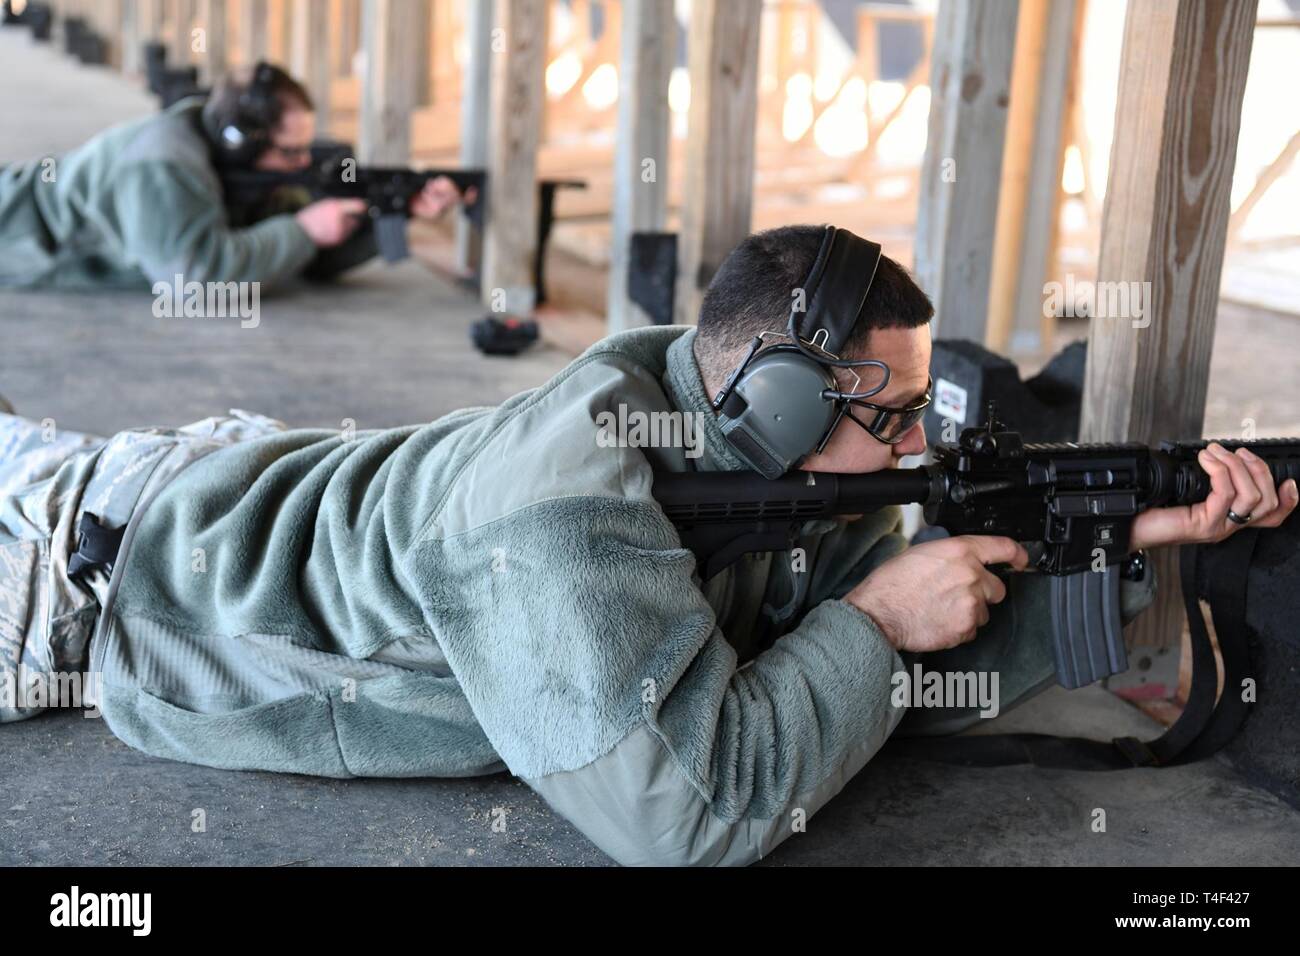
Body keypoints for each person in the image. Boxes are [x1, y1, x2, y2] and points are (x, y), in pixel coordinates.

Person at [1, 225, 1294, 866]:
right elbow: (689, 809)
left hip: (219, 464)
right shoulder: (567, 511)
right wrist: (882, 620)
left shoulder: (734, 437)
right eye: (893, 417)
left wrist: (1125, 532)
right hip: (86, 565)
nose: (916, 447)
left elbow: (890, 674)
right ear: (782, 407)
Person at [0, 63, 465, 290]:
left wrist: (395, 210)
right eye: (290, 151)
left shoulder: (230, 159)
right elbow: (194, 279)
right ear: (244, 141)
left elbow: (307, 260)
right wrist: (302, 230)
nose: (304, 162)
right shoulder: (163, 167)